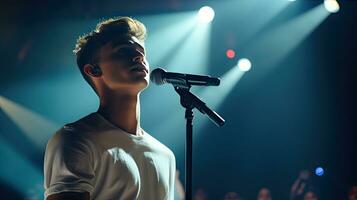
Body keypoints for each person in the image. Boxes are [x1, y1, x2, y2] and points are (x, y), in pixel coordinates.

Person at [43, 17, 176, 200]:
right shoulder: (76, 139)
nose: (139, 57)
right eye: (123, 51)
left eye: (141, 52)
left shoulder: (165, 155)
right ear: (93, 70)